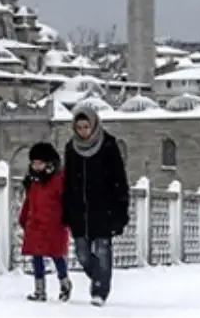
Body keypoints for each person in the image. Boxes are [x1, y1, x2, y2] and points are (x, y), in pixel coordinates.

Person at [62, 104, 130, 306]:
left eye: (86, 127)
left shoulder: (108, 145)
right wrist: (66, 209)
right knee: (82, 253)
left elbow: (118, 178)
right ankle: (99, 277)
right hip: (80, 211)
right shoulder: (71, 148)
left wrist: (120, 210)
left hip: (104, 209)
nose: (83, 131)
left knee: (102, 251)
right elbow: (68, 181)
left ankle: (100, 290)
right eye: (79, 127)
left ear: (94, 126)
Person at [18, 142, 72, 302]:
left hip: (55, 224)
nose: (36, 166)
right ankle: (39, 289)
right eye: (34, 163)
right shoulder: (33, 182)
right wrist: (23, 218)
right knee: (37, 257)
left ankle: (64, 283)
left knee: (57, 256)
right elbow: (29, 202)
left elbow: (67, 200)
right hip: (35, 224)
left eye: (40, 163)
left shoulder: (58, 180)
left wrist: (68, 217)